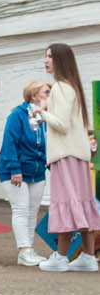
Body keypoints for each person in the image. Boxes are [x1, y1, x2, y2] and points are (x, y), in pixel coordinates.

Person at [39, 42, 100, 273]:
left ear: (60, 61)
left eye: (50, 57)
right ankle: (87, 256)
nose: (46, 61)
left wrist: (42, 113)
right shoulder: (72, 87)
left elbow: (61, 124)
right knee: (81, 203)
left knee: (65, 203)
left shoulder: (60, 88)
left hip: (65, 155)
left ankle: (61, 257)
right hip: (78, 155)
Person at [0, 79, 48, 267]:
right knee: (21, 208)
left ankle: (29, 249)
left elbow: (45, 143)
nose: (49, 96)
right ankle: (24, 251)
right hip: (14, 170)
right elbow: (10, 142)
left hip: (36, 170)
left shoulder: (43, 117)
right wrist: (14, 169)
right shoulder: (17, 115)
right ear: (34, 96)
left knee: (33, 211)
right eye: (46, 92)